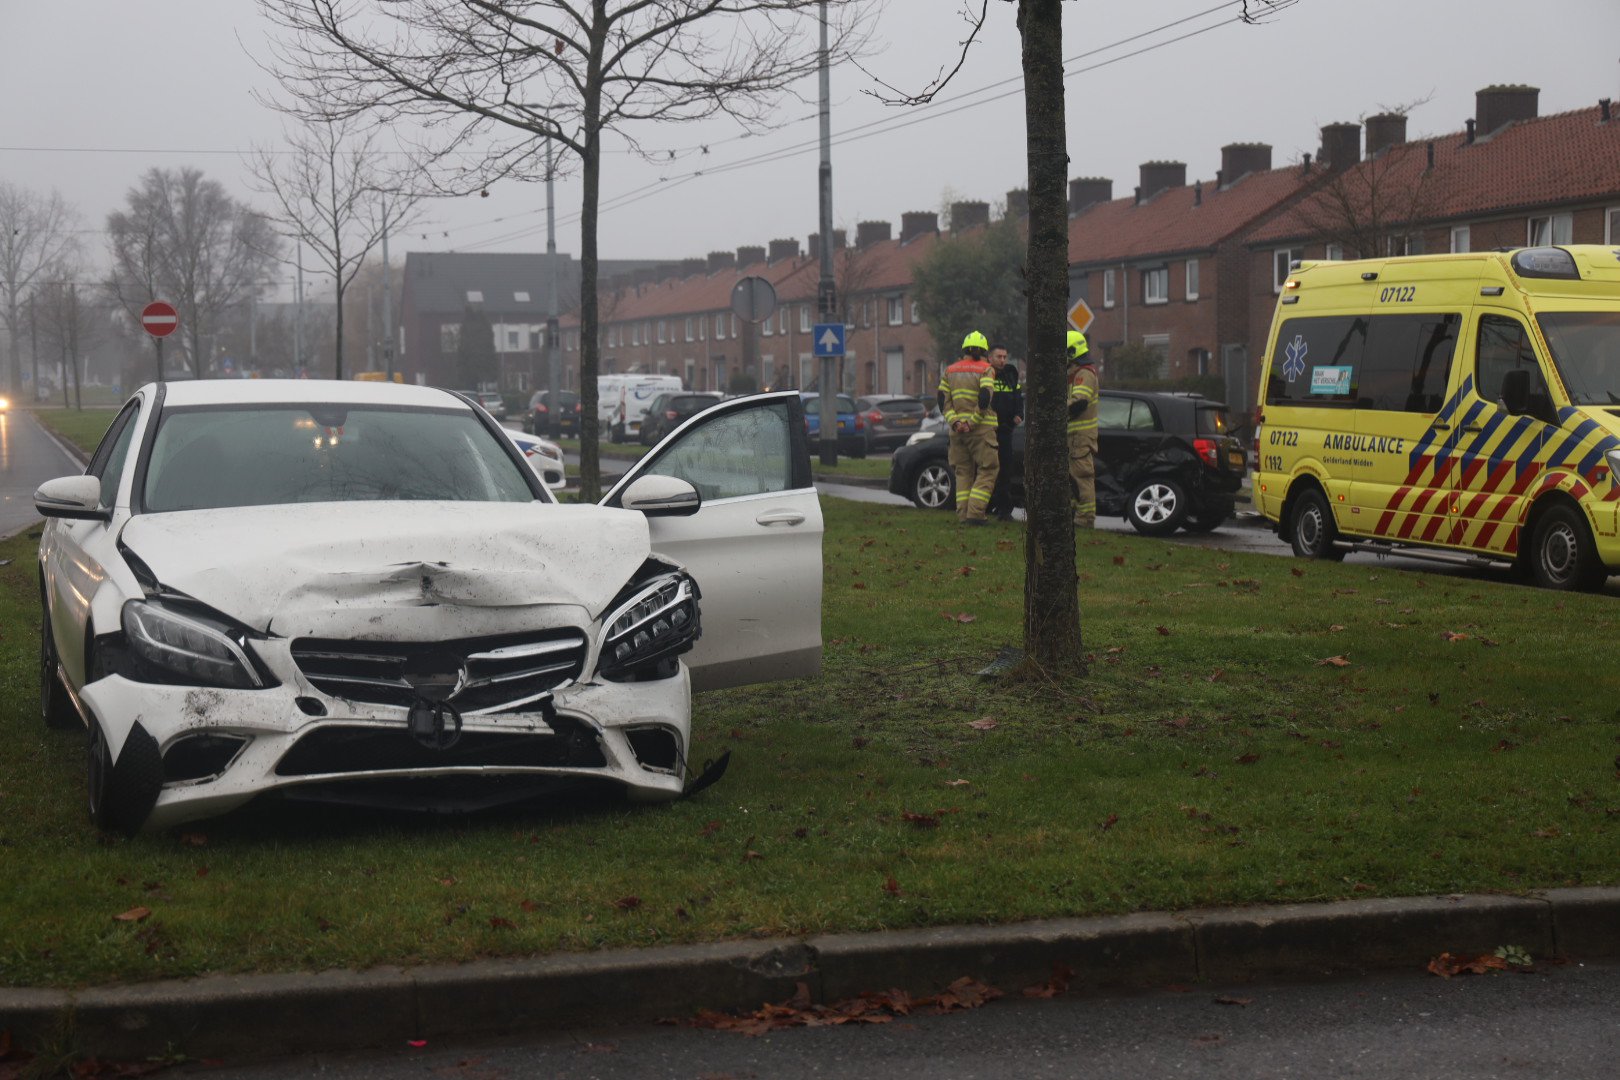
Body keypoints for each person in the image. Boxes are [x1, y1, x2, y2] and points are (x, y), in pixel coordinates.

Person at [938, 331, 999, 525]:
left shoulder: (950, 370)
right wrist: (971, 423)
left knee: (963, 472)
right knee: (989, 469)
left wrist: (956, 422)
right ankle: (975, 513)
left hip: (957, 433)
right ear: (984, 351)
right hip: (980, 430)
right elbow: (984, 398)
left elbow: (942, 402)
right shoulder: (986, 369)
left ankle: (963, 515)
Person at [985, 343, 1023, 521]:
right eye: (998, 357)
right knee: (988, 469)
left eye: (1004, 357)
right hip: (988, 429)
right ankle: (987, 505)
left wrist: (1018, 414)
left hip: (1006, 430)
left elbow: (1017, 398)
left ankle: (1004, 510)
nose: (1002, 360)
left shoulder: (1011, 374)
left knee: (1005, 470)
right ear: (989, 358)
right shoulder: (985, 374)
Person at [1067, 329, 1099, 529]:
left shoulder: (1084, 375)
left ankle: (1085, 518)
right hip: (1073, 437)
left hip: (1081, 438)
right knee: (1072, 479)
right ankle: (1074, 515)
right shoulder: (1075, 373)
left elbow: (1079, 403)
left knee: (1081, 477)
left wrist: (1054, 410)